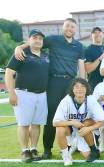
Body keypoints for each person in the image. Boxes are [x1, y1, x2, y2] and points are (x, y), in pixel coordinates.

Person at [14, 18, 86, 159]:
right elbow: (34, 44)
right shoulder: (53, 39)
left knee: (71, 114)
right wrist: (19, 48)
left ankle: (70, 146)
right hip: (54, 82)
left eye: (72, 27)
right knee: (51, 116)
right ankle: (47, 149)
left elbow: (81, 66)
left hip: (71, 83)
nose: (69, 29)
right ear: (63, 28)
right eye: (67, 26)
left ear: (75, 29)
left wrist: (82, 83)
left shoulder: (79, 46)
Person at [5, 29, 49, 163]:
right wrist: (11, 93)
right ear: (29, 40)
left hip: (41, 94)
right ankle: (25, 151)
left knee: (36, 124)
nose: (38, 40)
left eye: (40, 38)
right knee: (24, 124)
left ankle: (34, 149)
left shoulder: (46, 55)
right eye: (34, 38)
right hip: (24, 93)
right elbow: (8, 72)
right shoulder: (21, 53)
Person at [53, 78, 104, 166]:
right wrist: (73, 123)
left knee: (87, 122)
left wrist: (88, 129)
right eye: (76, 86)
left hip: (84, 130)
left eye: (83, 86)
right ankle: (66, 155)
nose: (79, 89)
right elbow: (55, 122)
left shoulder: (91, 99)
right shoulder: (66, 100)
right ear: (72, 89)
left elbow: (101, 122)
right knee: (59, 129)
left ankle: (93, 150)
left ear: (87, 89)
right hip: (70, 130)